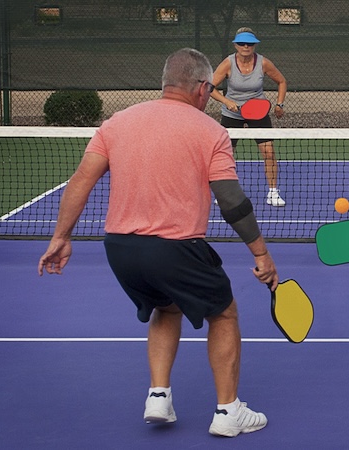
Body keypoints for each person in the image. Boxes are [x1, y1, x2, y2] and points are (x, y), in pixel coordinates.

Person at [37, 48, 278, 437]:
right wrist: (261, 253)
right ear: (203, 88)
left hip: (120, 249)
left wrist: (61, 237)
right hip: (175, 248)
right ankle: (228, 411)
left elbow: (81, 179)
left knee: (166, 308)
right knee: (224, 314)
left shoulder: (117, 122)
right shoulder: (211, 131)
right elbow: (231, 200)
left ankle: (159, 397)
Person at [210, 27, 288, 207]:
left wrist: (280, 104)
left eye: (250, 44)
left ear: (254, 45)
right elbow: (210, 87)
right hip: (232, 114)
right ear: (236, 45)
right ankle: (225, 192)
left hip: (258, 112)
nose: (246, 47)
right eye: (242, 43)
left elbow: (282, 81)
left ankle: (273, 193)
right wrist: (226, 101)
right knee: (226, 154)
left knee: (269, 152)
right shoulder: (228, 63)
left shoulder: (263, 63)